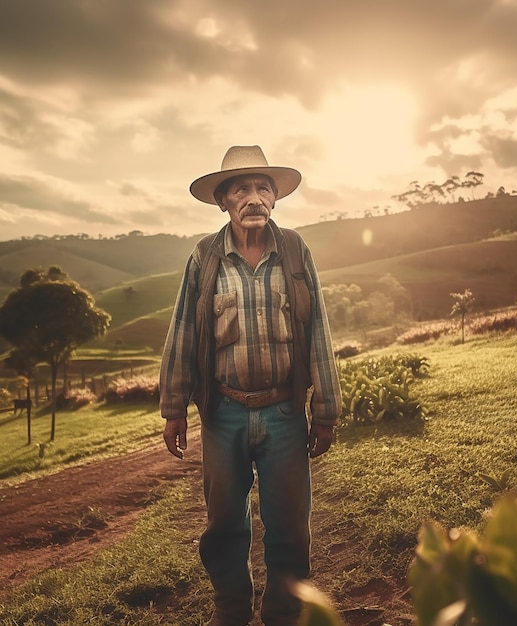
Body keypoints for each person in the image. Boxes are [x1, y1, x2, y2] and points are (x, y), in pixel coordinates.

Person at [160, 145, 342, 626]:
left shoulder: (297, 253)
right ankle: (231, 608)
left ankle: (282, 612)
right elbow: (182, 330)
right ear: (223, 201)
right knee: (223, 522)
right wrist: (173, 406)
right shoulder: (204, 258)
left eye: (264, 187)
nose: (254, 197)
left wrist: (324, 411)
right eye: (241, 189)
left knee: (288, 525)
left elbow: (318, 331)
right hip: (223, 414)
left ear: (276, 198)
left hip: (284, 413)